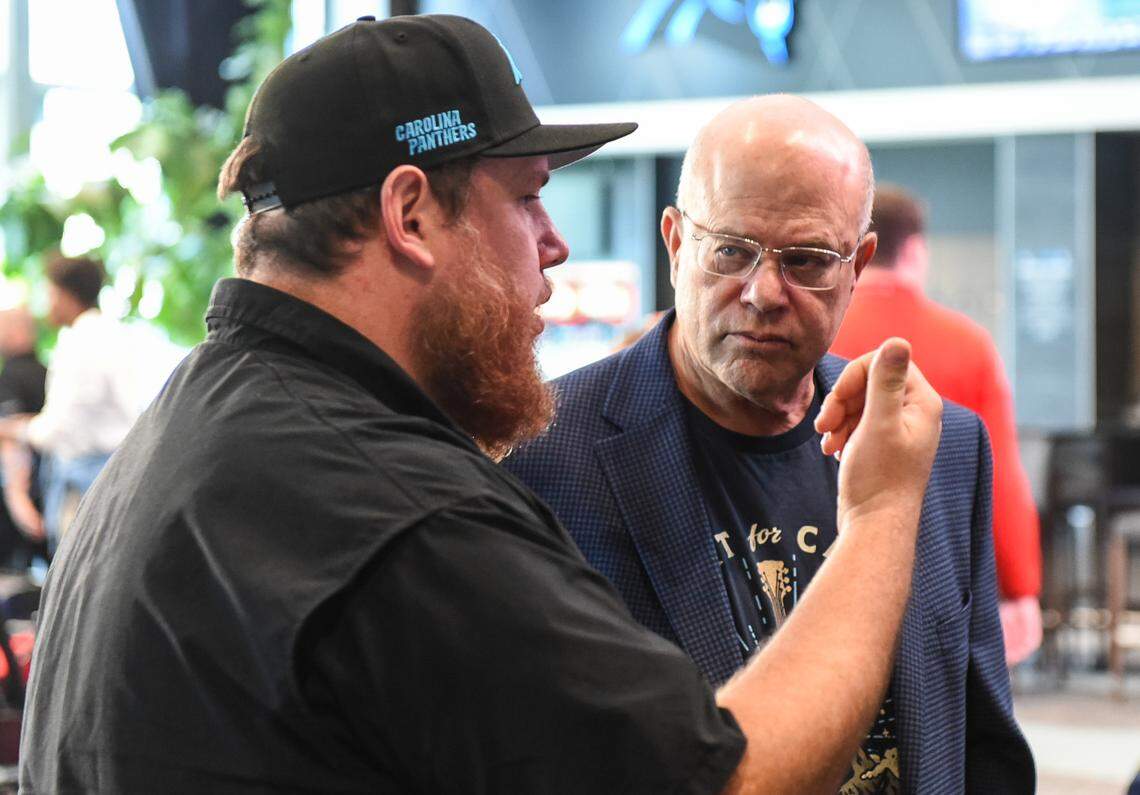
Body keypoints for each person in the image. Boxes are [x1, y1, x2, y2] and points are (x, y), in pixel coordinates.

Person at [21, 16, 943, 794]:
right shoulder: (391, 513)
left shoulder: (194, 429)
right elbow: (735, 779)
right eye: (529, 200)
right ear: (411, 214)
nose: (554, 244)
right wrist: (885, 507)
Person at [505, 95, 1035, 793]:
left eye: (808, 260)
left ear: (858, 264)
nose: (761, 292)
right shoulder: (543, 461)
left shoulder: (939, 449)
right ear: (674, 244)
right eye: (729, 249)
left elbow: (981, 747)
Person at [829, 184, 1043, 666]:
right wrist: (1019, 586)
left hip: (820, 567)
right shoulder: (967, 343)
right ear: (914, 250)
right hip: (939, 576)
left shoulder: (818, 333)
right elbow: (999, 475)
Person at [0, 257, 147, 551]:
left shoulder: (79, 343)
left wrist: (13, 429)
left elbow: (57, 430)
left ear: (65, 295)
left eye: (49, 293)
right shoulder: (117, 334)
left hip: (89, 483)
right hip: (120, 474)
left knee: (77, 581)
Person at [0, 308, 47, 566]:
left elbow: (11, 440)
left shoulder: (11, 376)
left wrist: (16, 495)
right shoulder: (49, 373)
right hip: (48, 496)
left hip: (23, 507)